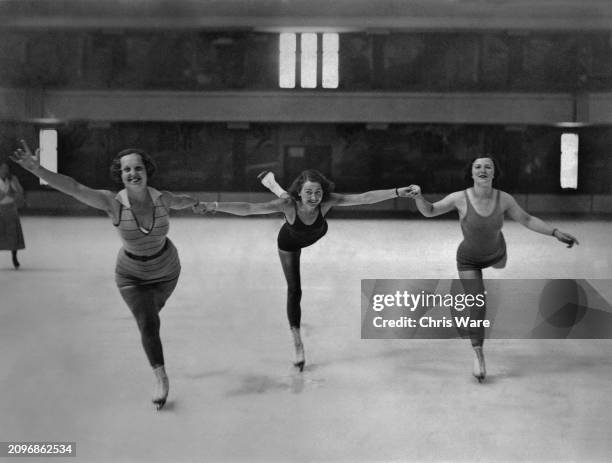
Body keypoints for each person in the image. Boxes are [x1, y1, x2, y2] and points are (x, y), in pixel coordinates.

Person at [11, 140, 199, 410]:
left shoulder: (163, 199)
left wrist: (201, 204)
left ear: (147, 171)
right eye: (126, 170)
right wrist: (37, 169)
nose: (132, 173)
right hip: (131, 275)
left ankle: (152, 332)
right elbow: (73, 187)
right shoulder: (112, 203)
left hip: (167, 271)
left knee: (151, 315)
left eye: (138, 168)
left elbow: (188, 202)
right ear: (120, 175)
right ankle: (161, 378)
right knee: (148, 322)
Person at [194, 169, 414, 372]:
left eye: (318, 192)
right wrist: (214, 205)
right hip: (289, 242)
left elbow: (364, 198)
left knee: (285, 200)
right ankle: (297, 342)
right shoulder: (291, 204)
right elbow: (250, 209)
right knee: (295, 290)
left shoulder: (326, 202)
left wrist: (397, 192)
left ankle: (273, 185)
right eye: (308, 191)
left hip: (315, 232)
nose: (314, 196)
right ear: (300, 192)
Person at [406, 156, 579, 382]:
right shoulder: (459, 198)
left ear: (494, 173)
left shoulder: (504, 199)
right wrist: (419, 196)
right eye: (478, 167)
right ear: (471, 173)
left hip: (496, 252)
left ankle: (500, 253)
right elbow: (429, 210)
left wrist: (555, 232)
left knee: (500, 261)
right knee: (477, 304)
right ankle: (478, 353)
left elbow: (526, 219)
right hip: (468, 260)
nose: (483, 170)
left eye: (488, 167)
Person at [0, 161, 25, 269]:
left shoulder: (12, 179)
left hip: (10, 209)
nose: (5, 170)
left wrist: (14, 193)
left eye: (6, 168)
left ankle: (14, 257)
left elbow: (20, 191)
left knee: (13, 234)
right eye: (2, 168)